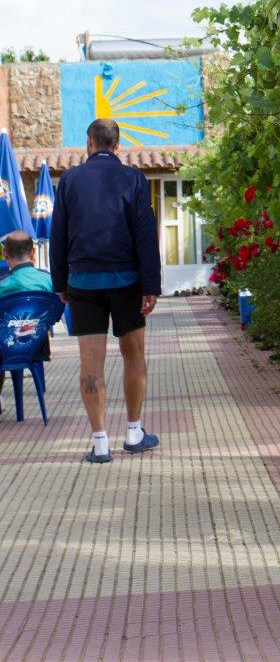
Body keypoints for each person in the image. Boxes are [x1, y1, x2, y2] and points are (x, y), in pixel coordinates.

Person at [50, 118, 161, 463]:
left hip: (82, 282)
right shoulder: (134, 178)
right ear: (117, 145)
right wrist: (151, 285)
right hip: (127, 280)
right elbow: (145, 234)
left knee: (91, 363)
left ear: (89, 143)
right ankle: (133, 432)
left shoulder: (69, 180)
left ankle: (100, 443)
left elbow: (58, 235)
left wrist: (59, 283)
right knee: (134, 355)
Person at [0, 230, 54, 411]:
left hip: (5, 349)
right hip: (37, 347)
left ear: (5, 255)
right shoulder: (49, 281)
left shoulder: (3, 287)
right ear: (33, 253)